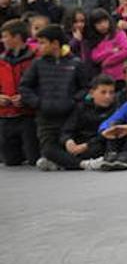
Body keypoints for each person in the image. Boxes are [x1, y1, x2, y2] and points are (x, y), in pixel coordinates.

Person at [20, 25, 90, 171]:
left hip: (69, 117)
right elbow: (25, 87)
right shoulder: (37, 64)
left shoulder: (75, 63)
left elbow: (86, 87)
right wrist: (38, 103)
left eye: (43, 42)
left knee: (71, 147)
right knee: (48, 150)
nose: (39, 46)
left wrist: (73, 101)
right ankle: (81, 164)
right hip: (45, 118)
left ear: (55, 44)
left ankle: (62, 162)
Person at [45, 73, 119, 171]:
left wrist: (86, 145)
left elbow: (108, 134)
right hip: (78, 144)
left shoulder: (116, 109)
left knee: (103, 147)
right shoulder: (81, 107)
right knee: (48, 148)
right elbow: (67, 129)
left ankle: (65, 162)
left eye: (111, 92)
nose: (108, 96)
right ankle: (83, 164)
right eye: (103, 92)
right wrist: (68, 141)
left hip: (96, 144)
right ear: (92, 93)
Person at [0, 18, 38, 166]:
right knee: (10, 161)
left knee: (34, 159)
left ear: (16, 37)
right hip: (5, 116)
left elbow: (44, 85)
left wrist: (26, 98)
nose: (3, 40)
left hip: (28, 116)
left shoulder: (36, 58)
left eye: (5, 36)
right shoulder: (1, 60)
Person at [81, 8, 127, 84]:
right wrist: (111, 51)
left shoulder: (118, 34)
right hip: (106, 78)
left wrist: (108, 61)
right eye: (98, 23)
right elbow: (95, 57)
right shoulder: (94, 40)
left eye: (105, 21)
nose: (103, 25)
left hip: (122, 76)